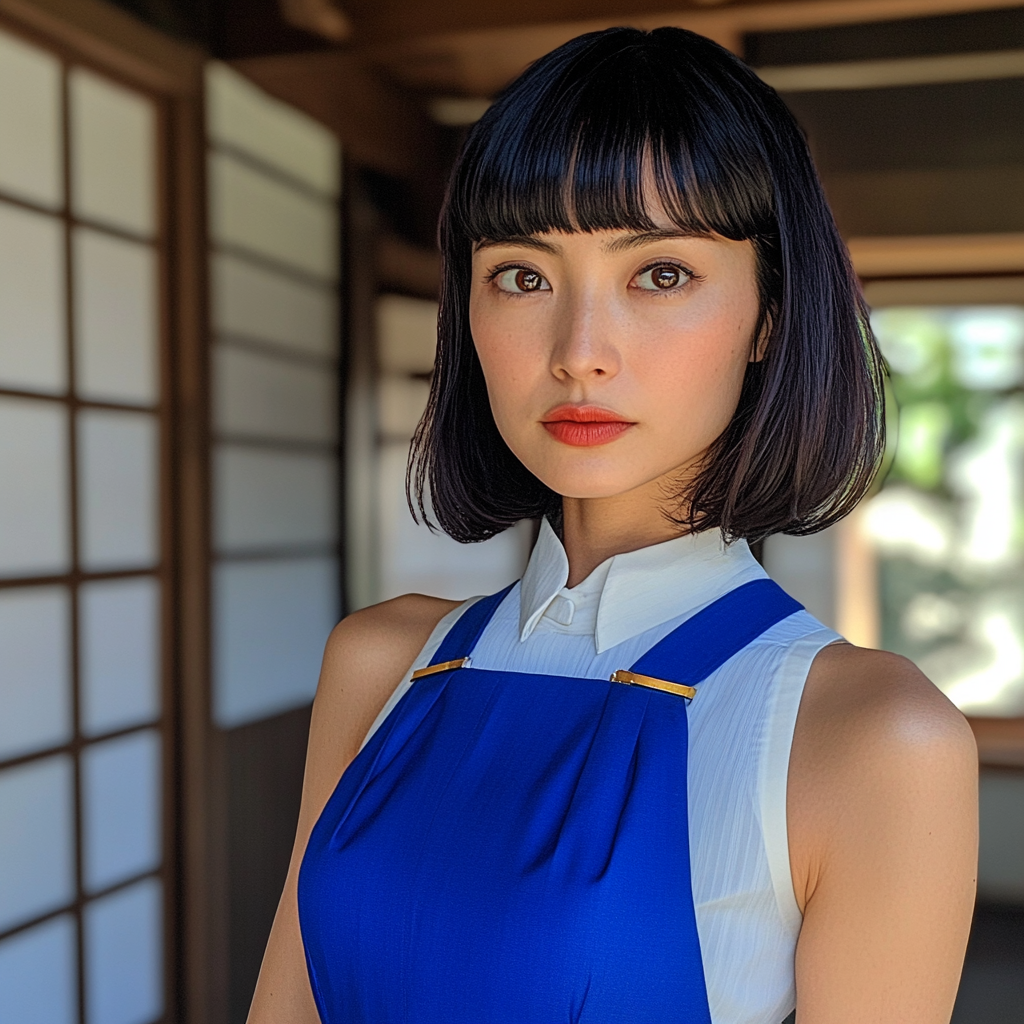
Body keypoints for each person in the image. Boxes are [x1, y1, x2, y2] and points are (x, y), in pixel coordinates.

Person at [248, 26, 978, 1024]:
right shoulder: (379, 661)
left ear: (769, 312)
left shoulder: (868, 737)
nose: (579, 351)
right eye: (522, 274)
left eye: (661, 274)